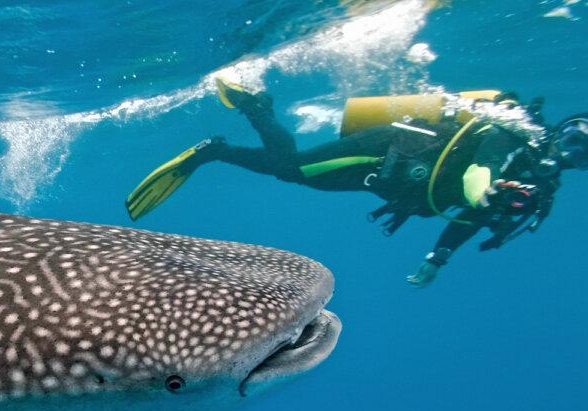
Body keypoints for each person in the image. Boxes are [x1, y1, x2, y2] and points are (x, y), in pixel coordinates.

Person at [125, 83, 588, 287]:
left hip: (388, 184)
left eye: (584, 154)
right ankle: (220, 145)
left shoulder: (536, 190)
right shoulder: (510, 133)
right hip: (388, 150)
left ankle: (255, 109)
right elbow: (475, 177)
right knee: (294, 169)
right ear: (560, 128)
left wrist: (438, 257)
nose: (572, 152)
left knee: (296, 173)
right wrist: (482, 190)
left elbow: (470, 217)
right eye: (574, 137)